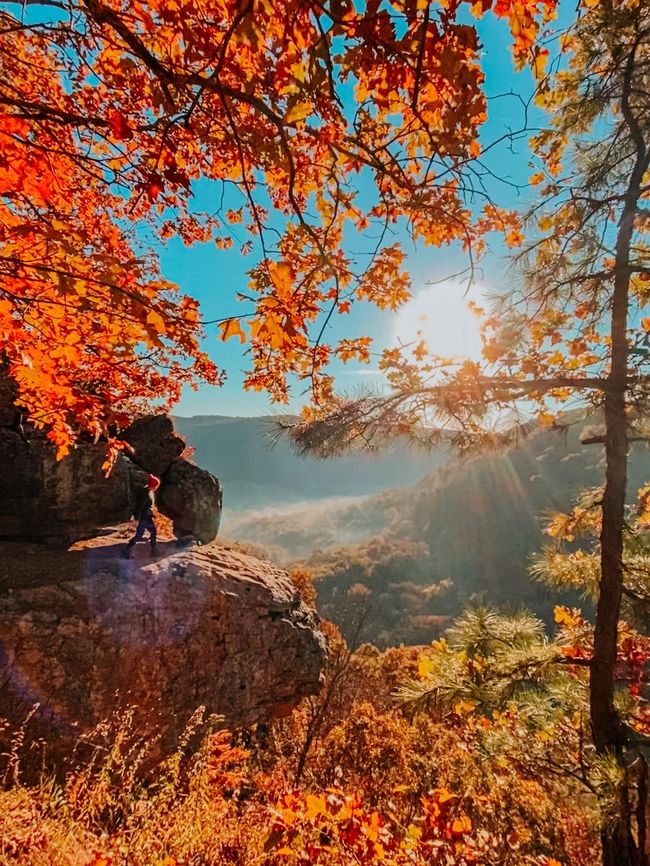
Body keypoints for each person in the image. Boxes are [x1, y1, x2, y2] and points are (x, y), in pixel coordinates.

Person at [123, 474, 160, 558]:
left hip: (148, 517)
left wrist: (152, 514)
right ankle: (128, 549)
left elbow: (148, 506)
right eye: (156, 485)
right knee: (139, 535)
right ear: (153, 485)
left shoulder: (149, 492)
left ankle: (153, 548)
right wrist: (137, 519)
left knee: (153, 530)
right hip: (143, 518)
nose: (156, 487)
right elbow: (140, 507)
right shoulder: (146, 494)